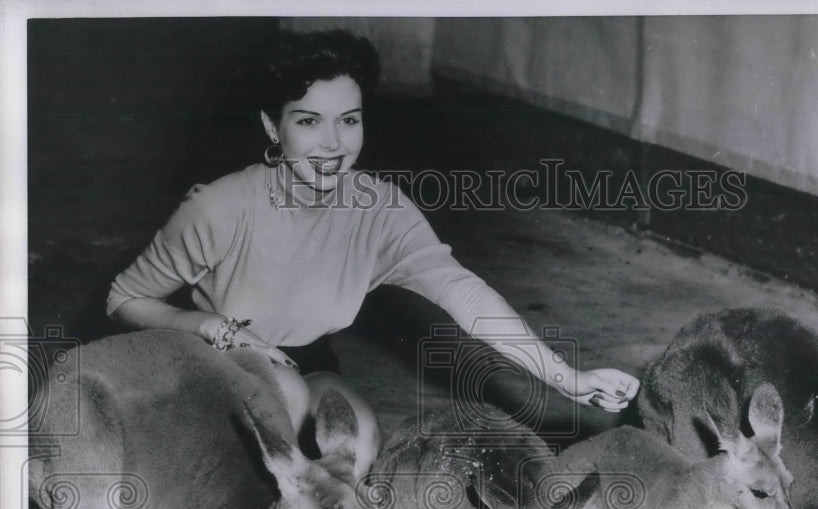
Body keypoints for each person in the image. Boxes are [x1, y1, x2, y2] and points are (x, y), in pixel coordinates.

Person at [107, 29, 639, 439]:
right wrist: (210, 326)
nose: (334, 143)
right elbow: (123, 298)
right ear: (273, 127)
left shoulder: (380, 208)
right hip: (206, 359)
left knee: (356, 439)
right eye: (309, 122)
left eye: (350, 120)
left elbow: (464, 293)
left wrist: (567, 378)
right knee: (284, 402)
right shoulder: (220, 206)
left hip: (305, 360)